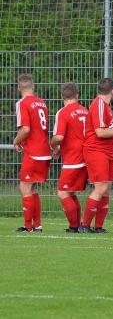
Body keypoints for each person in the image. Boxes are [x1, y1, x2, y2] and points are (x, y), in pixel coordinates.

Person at [79, 78, 113, 233]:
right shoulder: (99, 105)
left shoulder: (107, 107)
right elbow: (100, 132)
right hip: (96, 151)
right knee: (100, 187)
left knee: (106, 188)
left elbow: (108, 131)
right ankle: (85, 225)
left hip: (107, 152)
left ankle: (99, 226)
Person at [13, 74, 51, 232]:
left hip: (34, 151)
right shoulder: (41, 103)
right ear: (33, 86)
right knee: (32, 188)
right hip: (44, 150)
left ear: (19, 88)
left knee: (24, 187)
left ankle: (28, 227)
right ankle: (37, 225)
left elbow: (26, 129)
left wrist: (16, 141)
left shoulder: (22, 103)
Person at [51, 82, 89, 233]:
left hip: (73, 158)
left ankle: (74, 227)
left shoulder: (63, 112)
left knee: (62, 192)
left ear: (62, 96)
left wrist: (52, 146)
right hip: (86, 156)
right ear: (77, 96)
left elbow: (59, 136)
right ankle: (77, 224)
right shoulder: (85, 111)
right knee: (70, 192)